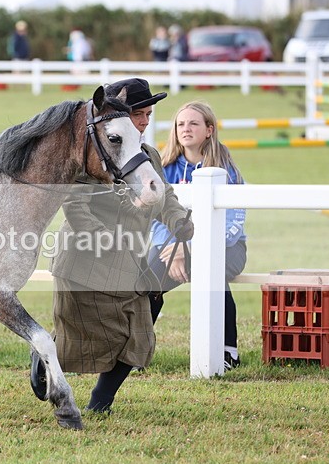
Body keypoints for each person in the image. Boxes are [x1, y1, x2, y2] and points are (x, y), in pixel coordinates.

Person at [31, 78, 192, 414]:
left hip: (130, 263)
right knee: (84, 342)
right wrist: (103, 237)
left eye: (149, 114)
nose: (146, 121)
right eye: (139, 114)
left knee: (139, 336)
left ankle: (100, 402)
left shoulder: (147, 155)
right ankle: (45, 353)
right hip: (86, 259)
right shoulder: (92, 154)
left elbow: (164, 194)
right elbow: (75, 206)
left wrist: (177, 219)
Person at [148, 101, 247, 371]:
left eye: (193, 123)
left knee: (210, 270)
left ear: (209, 130)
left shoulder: (226, 169)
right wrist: (172, 248)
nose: (185, 128)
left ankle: (227, 353)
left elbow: (233, 224)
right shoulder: (164, 167)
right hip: (171, 247)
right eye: (180, 124)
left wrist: (188, 249)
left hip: (228, 248)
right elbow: (153, 218)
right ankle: (136, 350)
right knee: (145, 280)